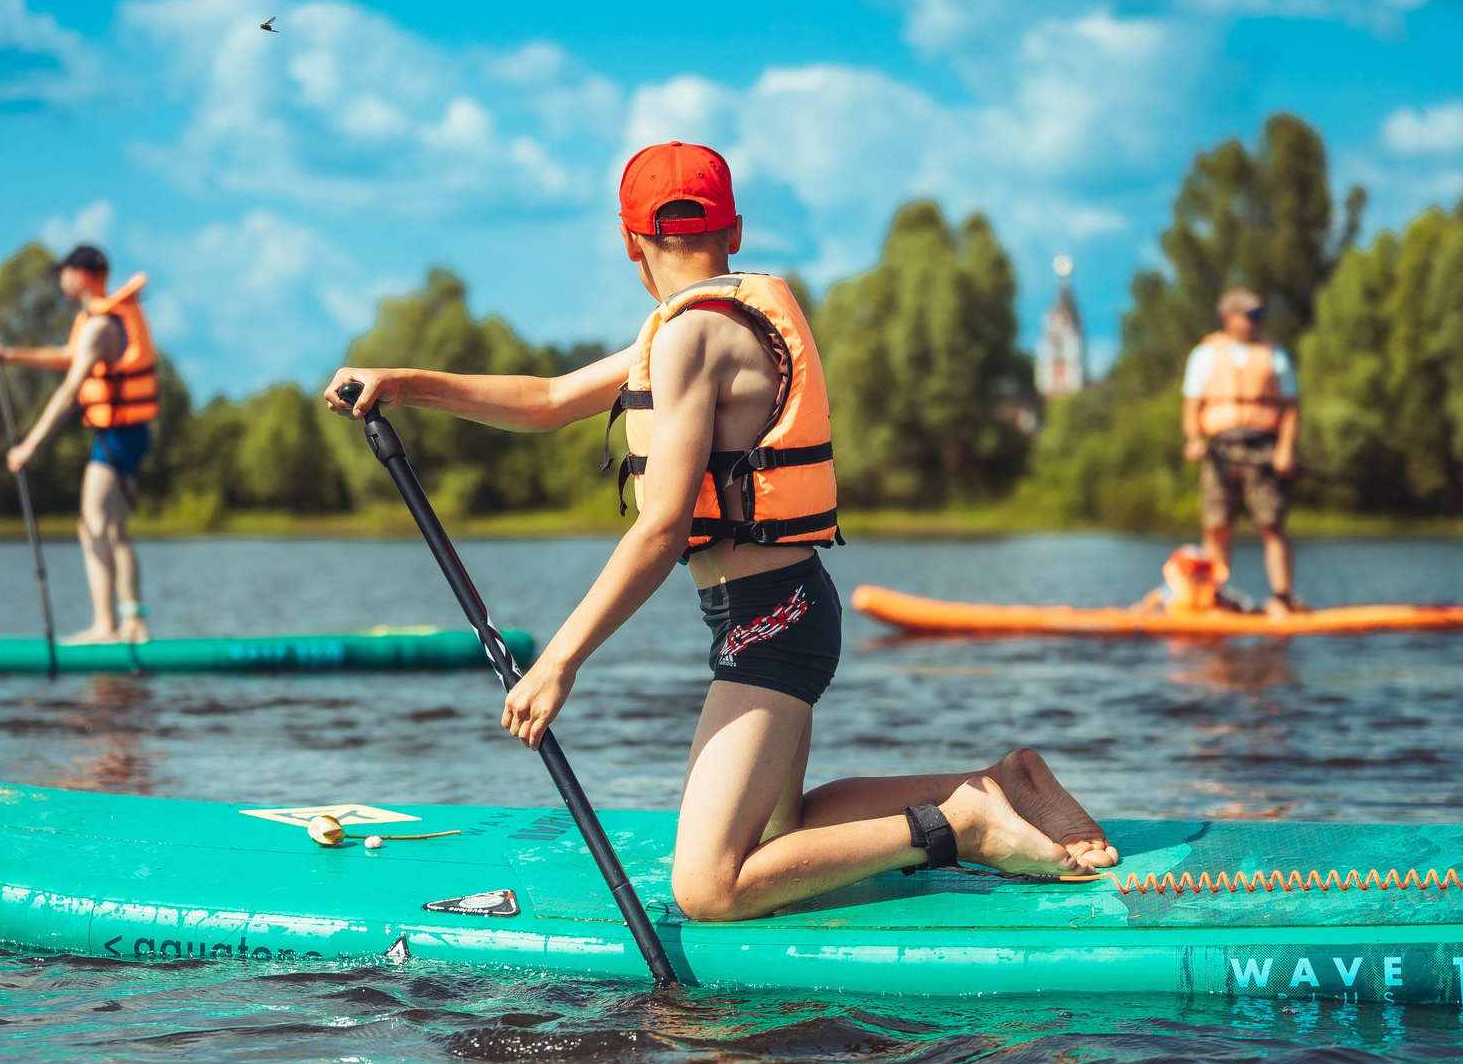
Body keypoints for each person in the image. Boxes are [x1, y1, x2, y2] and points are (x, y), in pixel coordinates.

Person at [326, 142, 1116, 922]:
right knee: (786, 833)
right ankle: (1001, 781)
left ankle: (962, 825)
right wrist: (403, 383)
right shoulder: (708, 323)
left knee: (709, 889)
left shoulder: (688, 339)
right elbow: (549, 398)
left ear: (628, 241)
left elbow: (664, 525)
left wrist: (557, 662)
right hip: (788, 610)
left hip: (769, 623)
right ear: (731, 232)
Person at [0, 243, 157, 644]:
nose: (61, 279)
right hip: (125, 434)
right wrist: (10, 355)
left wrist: (29, 446)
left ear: (82, 275)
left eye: (65, 272)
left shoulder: (100, 325)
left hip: (119, 435)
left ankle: (107, 626)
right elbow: (67, 356)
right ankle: (132, 624)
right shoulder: (96, 323)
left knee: (93, 524)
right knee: (111, 528)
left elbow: (68, 390)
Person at [1180, 288, 1303, 614]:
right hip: (1220, 451)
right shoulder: (1205, 355)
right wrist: (1193, 439)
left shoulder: (1274, 354)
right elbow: (1192, 406)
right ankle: (1212, 597)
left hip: (1262, 448)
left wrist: (1286, 448)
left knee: (1272, 523)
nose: (1257, 322)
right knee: (1216, 524)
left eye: (1260, 316)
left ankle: (1283, 598)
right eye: (1251, 316)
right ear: (1229, 318)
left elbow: (1291, 407)